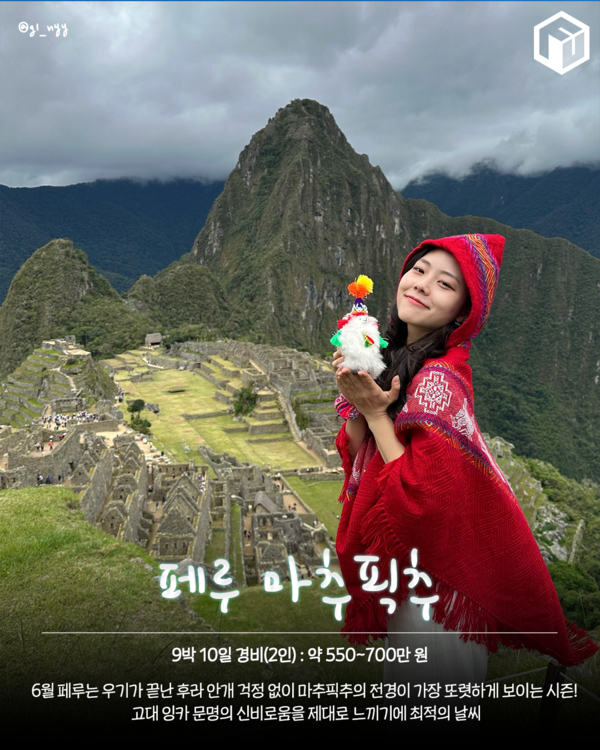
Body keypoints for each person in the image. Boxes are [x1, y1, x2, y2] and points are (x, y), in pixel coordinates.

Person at [333, 234, 597, 695]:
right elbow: (361, 455)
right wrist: (357, 390)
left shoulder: (441, 380)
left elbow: (422, 496)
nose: (422, 284)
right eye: (419, 270)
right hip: (409, 566)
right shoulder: (393, 359)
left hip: (439, 585)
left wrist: (375, 413)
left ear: (462, 312)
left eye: (445, 283)